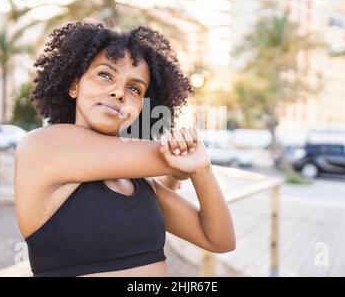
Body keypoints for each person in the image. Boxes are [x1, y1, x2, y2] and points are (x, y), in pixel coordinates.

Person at [14, 22, 236, 277]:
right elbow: (173, 155)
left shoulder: (140, 182)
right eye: (105, 75)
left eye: (134, 88)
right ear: (74, 85)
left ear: (141, 107)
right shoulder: (42, 146)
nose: (119, 92)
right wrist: (185, 159)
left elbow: (219, 240)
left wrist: (201, 169)